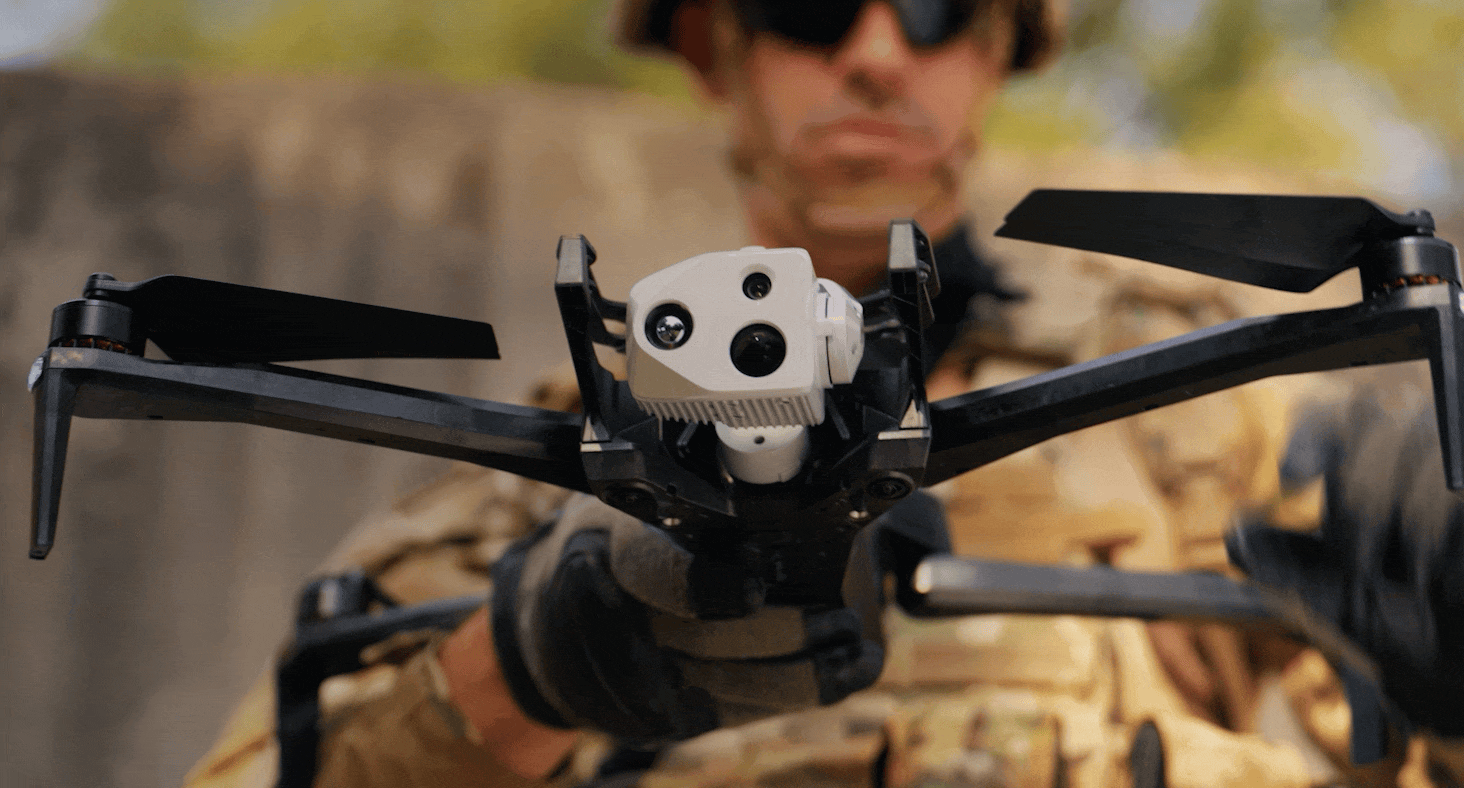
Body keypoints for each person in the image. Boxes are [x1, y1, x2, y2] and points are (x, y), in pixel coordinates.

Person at [186, 2, 1464, 787]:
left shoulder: (1210, 408)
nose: (871, 55)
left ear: (995, 47)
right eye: (806, 7)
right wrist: (524, 668)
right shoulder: (531, 480)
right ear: (715, 48)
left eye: (932, 6)